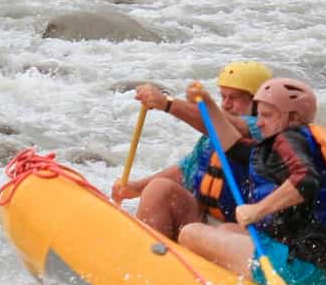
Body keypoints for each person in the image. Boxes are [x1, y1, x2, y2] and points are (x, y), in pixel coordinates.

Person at [179, 76, 326, 285]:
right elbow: (235, 148)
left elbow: (306, 181)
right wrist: (208, 105)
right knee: (229, 230)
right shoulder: (298, 145)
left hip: (295, 270)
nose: (259, 123)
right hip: (320, 275)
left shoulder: (288, 140)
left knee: (190, 233)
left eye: (267, 115)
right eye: (259, 114)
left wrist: (256, 211)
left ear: (293, 117)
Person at [110, 61, 270, 239]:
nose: (226, 105)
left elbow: (235, 127)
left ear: (258, 103)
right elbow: (185, 170)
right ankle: (152, 252)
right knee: (159, 188)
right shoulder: (212, 133)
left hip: (241, 233)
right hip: (203, 220)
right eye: (223, 97)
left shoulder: (265, 131)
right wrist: (136, 188)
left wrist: (167, 103)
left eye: (234, 98)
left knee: (227, 232)